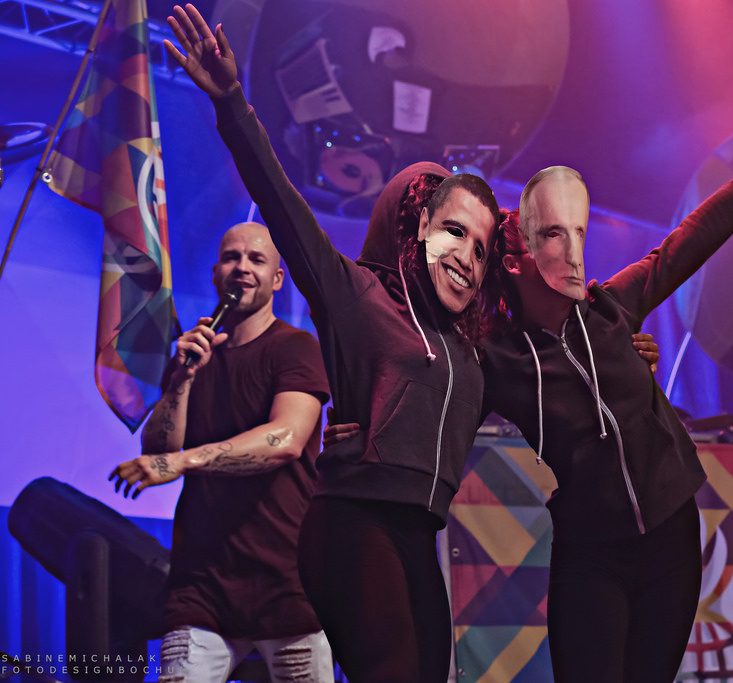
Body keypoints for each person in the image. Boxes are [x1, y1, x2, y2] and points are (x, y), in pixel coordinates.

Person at [163, 5, 504, 681]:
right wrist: (232, 103)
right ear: (417, 227)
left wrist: (627, 351)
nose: (468, 254)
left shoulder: (470, 346)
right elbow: (281, 204)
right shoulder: (360, 295)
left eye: (482, 245)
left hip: (421, 534)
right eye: (454, 231)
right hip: (353, 524)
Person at [480, 67, 733, 682]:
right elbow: (438, 403)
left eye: (576, 232)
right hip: (590, 551)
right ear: (516, 259)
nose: (572, 247)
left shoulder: (613, 308)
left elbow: (698, 235)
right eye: (552, 235)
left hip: (671, 535)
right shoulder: (498, 358)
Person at [109, 222, 333, 683]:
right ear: (215, 274)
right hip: (201, 585)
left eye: (256, 259)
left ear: (277, 279)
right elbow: (158, 447)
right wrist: (182, 380)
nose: (242, 267)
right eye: (232, 257)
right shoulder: (193, 354)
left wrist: (184, 461)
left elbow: (286, 440)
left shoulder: (296, 349)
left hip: (287, 581)